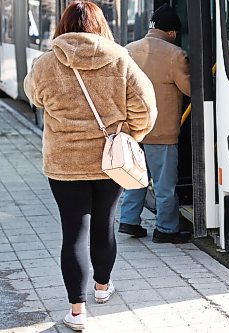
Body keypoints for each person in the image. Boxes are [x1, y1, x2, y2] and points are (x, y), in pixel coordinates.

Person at [23, 1, 157, 331]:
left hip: (64, 164)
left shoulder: (45, 63)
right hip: (109, 164)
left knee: (74, 233)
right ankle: (101, 288)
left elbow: (33, 96)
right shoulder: (119, 59)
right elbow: (147, 109)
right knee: (104, 225)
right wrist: (129, 133)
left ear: (63, 26)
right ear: (101, 25)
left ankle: (77, 313)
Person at [119, 4, 191, 244]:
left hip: (133, 131)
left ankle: (129, 221)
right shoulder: (175, 54)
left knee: (135, 179)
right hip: (162, 133)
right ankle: (166, 229)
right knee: (164, 185)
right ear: (172, 32)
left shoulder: (128, 51)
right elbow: (189, 89)